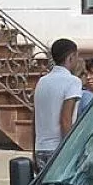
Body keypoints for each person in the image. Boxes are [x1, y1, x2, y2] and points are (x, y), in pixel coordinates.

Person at [33, 39, 84, 170]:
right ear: (70, 57)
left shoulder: (42, 82)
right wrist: (70, 149)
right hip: (58, 148)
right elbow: (65, 120)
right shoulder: (73, 82)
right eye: (76, 56)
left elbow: (35, 119)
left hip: (40, 148)